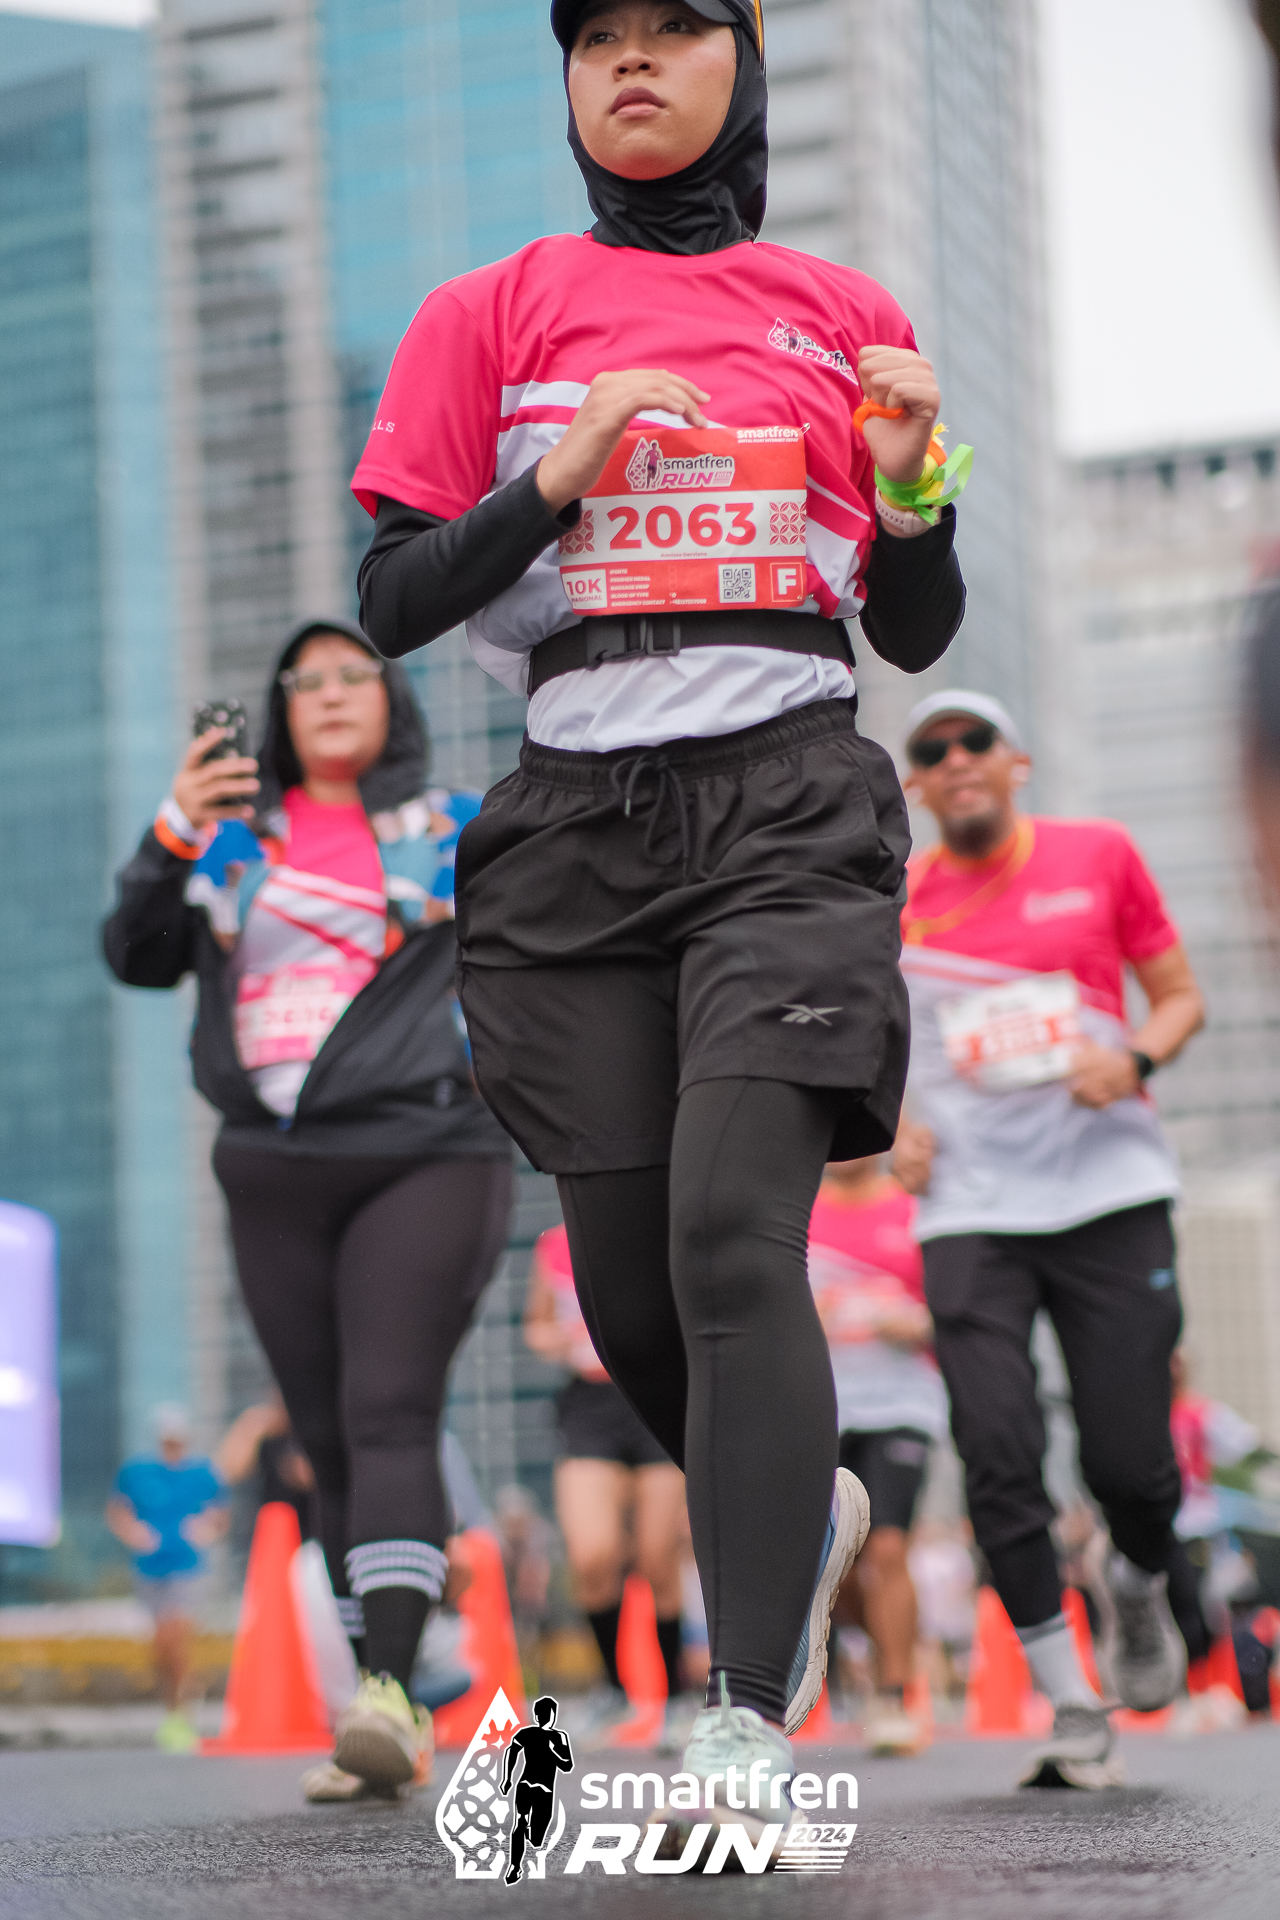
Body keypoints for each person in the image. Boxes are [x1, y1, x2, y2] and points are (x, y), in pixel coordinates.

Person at [351, 0, 966, 1849]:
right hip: (570, 820)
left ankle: (745, 1708)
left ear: (742, 66)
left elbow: (912, 623)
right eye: (596, 33)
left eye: (677, 27)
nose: (631, 59)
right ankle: (805, 1502)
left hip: (785, 800)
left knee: (727, 1237)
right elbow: (391, 600)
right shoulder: (489, 311)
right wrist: (562, 469)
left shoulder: (842, 312)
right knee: (629, 1295)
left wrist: (916, 482)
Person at [102, 618, 514, 1803]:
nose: (329, 694)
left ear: (392, 699)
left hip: (420, 1147)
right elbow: (136, 954)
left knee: (389, 1408)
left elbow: (548, 946)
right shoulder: (233, 840)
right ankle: (383, 1703)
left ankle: (387, 1691)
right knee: (321, 1434)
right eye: (305, 681)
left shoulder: (454, 824)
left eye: (352, 676)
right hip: (269, 1163)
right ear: (278, 713)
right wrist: (173, 828)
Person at [892, 688, 1207, 1788]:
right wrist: (893, 1130)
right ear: (914, 783)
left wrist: (1134, 1060)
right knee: (996, 1449)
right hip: (970, 1210)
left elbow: (1177, 997)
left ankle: (1135, 1583)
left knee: (1131, 1464)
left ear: (1013, 761)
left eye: (975, 740)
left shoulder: (1096, 853)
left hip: (1110, 1191)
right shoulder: (893, 899)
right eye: (932, 749)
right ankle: (1069, 1699)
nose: (956, 759)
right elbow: (871, 1053)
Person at [524, 1222, 691, 1744]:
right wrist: (560, 1340)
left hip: (656, 1396)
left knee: (657, 1556)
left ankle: (676, 1698)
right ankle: (613, 1691)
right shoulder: (554, 1243)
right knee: (592, 1556)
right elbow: (537, 1326)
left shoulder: (660, 1226)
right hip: (591, 1406)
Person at [809, 1155, 948, 1755]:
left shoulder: (912, 1207)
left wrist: (916, 1323)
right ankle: (892, 1647)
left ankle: (894, 1695)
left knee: (888, 1546)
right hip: (818, 1407)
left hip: (903, 1401)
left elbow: (959, 1304)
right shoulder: (795, 1209)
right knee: (831, 1562)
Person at [105, 1404, 228, 1752]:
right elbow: (118, 1511)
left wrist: (206, 1530)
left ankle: (183, 1710)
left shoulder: (202, 1472)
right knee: (160, 1644)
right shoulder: (137, 1472)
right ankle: (173, 1706)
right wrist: (134, 1534)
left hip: (187, 1567)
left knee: (175, 1635)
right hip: (150, 1567)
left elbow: (220, 1514)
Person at [215, 1393, 317, 1544]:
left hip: (312, 1527)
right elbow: (228, 1470)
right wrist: (249, 1428)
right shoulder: (266, 1428)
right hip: (275, 1525)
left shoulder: (315, 1427)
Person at [500, 1696, 574, 1886]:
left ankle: (528, 1834)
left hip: (543, 1789)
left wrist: (551, 1752)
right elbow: (511, 1752)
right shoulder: (527, 1733)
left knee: (536, 1839)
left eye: (547, 1713)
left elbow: (567, 1765)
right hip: (528, 1785)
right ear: (537, 1715)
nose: (545, 1716)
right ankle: (515, 1867)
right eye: (542, 1713)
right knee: (520, 1821)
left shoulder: (559, 1737)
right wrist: (507, 1778)